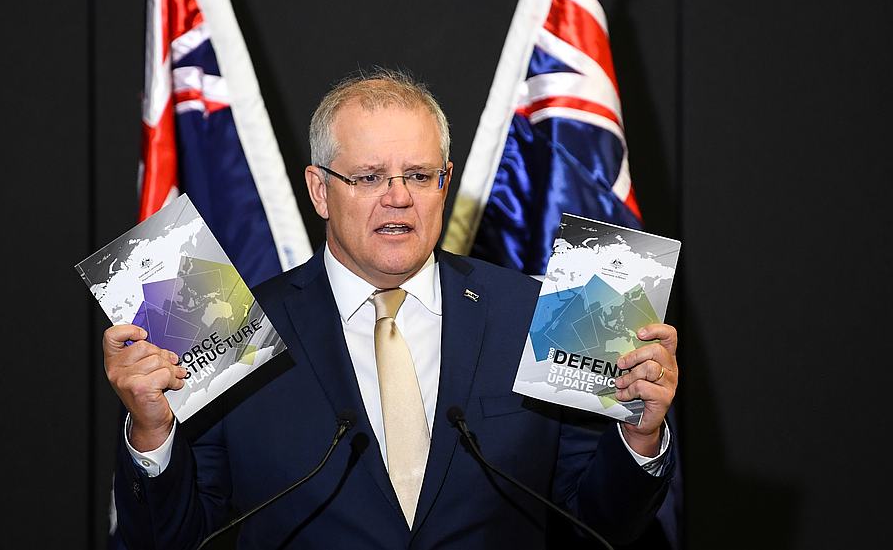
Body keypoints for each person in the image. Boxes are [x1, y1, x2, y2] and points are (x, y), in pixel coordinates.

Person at [103, 69, 678, 549]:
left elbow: (603, 527)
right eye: (370, 176)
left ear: (443, 184)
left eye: (419, 176)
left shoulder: (538, 312)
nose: (398, 196)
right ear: (320, 189)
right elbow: (171, 541)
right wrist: (152, 433)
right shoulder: (233, 328)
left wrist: (640, 435)